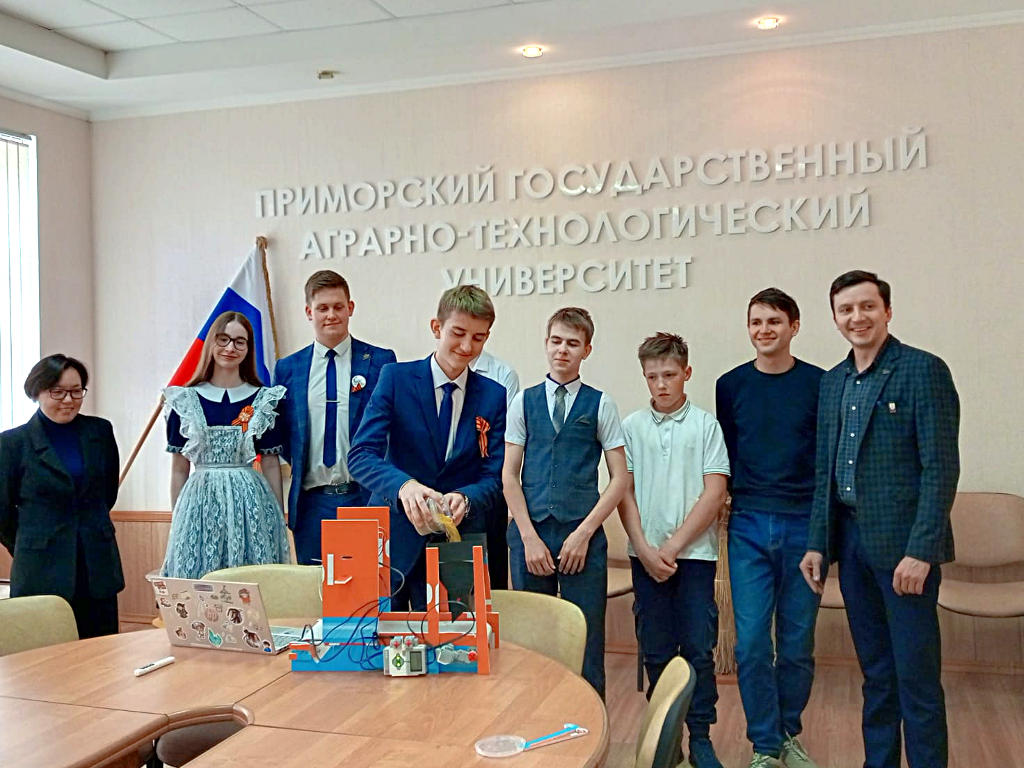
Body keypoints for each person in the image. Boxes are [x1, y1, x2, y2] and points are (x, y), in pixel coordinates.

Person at [800, 270, 959, 768]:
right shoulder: (832, 382)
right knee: (876, 674)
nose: (857, 317)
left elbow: (941, 469)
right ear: (835, 318)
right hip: (851, 547)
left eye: (867, 306)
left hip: (905, 553)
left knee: (916, 678)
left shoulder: (922, 370)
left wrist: (922, 552)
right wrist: (817, 543)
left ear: (887, 311)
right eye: (846, 310)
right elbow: (825, 471)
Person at [716, 289, 824, 768]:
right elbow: (727, 455)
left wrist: (822, 533)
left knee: (797, 646)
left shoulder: (820, 383)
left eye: (774, 321)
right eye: (756, 321)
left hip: (804, 527)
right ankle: (764, 744)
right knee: (753, 644)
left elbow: (827, 461)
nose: (764, 330)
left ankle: (786, 734)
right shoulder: (730, 385)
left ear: (794, 327)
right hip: (748, 525)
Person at [348, 286, 506, 609]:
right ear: (436, 327)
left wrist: (467, 498)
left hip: (455, 546)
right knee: (377, 634)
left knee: (452, 636)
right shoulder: (396, 379)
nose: (466, 346)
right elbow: (361, 456)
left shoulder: (493, 395)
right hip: (392, 536)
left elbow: (493, 476)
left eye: (478, 338)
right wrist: (403, 486)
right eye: (458, 333)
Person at [503, 307, 628, 699]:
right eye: (556, 341)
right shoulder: (522, 402)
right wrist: (528, 537)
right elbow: (509, 476)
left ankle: (592, 722)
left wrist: (584, 534)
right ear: (546, 344)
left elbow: (620, 478)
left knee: (586, 639)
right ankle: (537, 720)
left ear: (586, 350)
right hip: (531, 536)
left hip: (582, 537)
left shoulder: (601, 404)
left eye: (572, 343)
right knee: (533, 642)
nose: (562, 350)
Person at [619, 333, 729, 768]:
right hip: (644, 558)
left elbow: (714, 492)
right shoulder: (631, 428)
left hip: (695, 557)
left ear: (687, 373)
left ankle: (700, 736)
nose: (661, 384)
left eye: (669, 374)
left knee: (698, 648)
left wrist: (674, 545)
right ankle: (665, 738)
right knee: (656, 650)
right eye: (652, 377)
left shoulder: (705, 426)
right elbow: (623, 492)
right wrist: (645, 549)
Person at [274, 270, 396, 565]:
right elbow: (285, 437)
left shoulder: (381, 362)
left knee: (367, 588)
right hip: (312, 504)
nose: (331, 315)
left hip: (364, 497)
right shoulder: (288, 369)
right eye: (322, 308)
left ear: (350, 308)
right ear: (309, 312)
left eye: (338, 307)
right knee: (315, 588)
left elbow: (391, 431)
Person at [0, 354, 124, 638]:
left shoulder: (100, 431)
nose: (68, 400)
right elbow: (2, 511)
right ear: (37, 392)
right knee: (45, 655)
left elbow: (107, 493)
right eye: (58, 392)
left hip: (96, 563)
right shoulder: (12, 443)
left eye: (76, 391)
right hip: (41, 567)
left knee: (101, 652)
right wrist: (31, 542)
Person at [161, 311, 290, 579]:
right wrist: (179, 519)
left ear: (249, 348)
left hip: (249, 503)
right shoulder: (184, 400)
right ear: (212, 343)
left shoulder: (264, 399)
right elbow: (179, 468)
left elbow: (270, 463)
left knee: (250, 577)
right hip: (200, 502)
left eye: (239, 341)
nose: (230, 348)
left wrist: (277, 517)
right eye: (224, 339)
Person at [469, 349, 520, 589]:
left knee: (492, 575)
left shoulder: (502, 374)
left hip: (489, 484)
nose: (465, 345)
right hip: (445, 489)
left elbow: (506, 438)